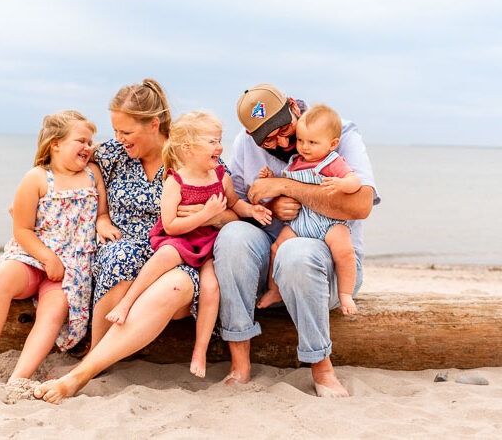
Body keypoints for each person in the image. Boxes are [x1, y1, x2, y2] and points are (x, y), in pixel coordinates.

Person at [34, 79, 238, 404]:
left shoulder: (189, 154)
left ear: (154, 124)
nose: (118, 138)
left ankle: (81, 373)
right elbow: (76, 166)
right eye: (115, 130)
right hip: (125, 252)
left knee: (175, 285)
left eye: (126, 131)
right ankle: (93, 359)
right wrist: (101, 214)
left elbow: (231, 210)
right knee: (121, 256)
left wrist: (208, 216)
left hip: (180, 255)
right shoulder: (114, 155)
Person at [213, 84, 380, 398]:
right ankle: (239, 363)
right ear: (251, 137)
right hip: (269, 263)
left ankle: (321, 368)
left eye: (284, 129)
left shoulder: (338, 131)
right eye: (268, 139)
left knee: (296, 253)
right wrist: (267, 208)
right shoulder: (244, 145)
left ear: (293, 106)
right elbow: (235, 205)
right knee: (232, 236)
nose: (284, 142)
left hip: (327, 262)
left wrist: (285, 186)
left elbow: (361, 205)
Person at [105, 111, 271, 378]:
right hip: (180, 238)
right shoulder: (175, 181)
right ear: (187, 148)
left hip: (209, 243)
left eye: (219, 140)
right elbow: (170, 226)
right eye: (211, 141)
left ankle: (200, 350)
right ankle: (126, 304)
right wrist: (204, 215)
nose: (219, 147)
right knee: (163, 257)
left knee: (211, 287)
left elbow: (234, 204)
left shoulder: (220, 176)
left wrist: (252, 211)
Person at [0, 110, 119, 382]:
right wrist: (48, 258)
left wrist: (103, 223)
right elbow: (22, 229)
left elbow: (102, 213)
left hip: (73, 264)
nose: (88, 147)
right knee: (1, 279)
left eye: (90, 142)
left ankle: (19, 377)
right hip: (33, 255)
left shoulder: (92, 174)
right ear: (55, 144)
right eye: (81, 141)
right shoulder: (36, 178)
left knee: (55, 309)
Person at [256, 104, 361, 314]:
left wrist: (342, 185)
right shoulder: (296, 162)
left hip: (328, 222)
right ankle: (275, 289)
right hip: (301, 221)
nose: (304, 147)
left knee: (345, 252)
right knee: (277, 248)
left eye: (312, 142)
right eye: (301, 140)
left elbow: (355, 181)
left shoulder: (333, 162)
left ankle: (345, 294)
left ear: (332, 144)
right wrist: (270, 180)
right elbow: (284, 184)